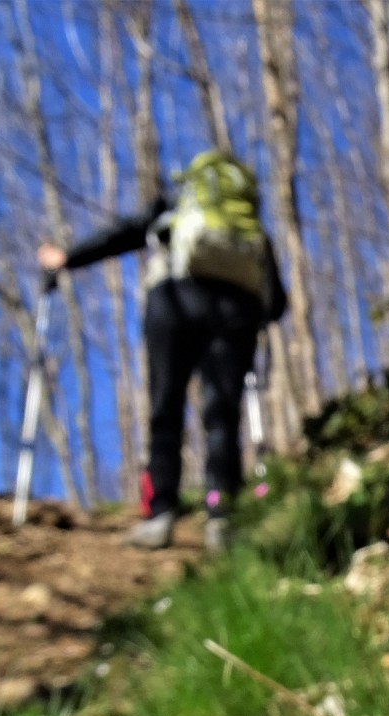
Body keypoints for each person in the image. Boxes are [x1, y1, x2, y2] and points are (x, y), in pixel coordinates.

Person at [38, 151, 287, 552]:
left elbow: (125, 233)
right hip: (237, 309)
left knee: (165, 408)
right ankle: (220, 514)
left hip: (175, 297)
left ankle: (160, 514)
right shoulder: (248, 227)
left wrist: (66, 258)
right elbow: (277, 304)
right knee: (221, 414)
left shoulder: (178, 205)